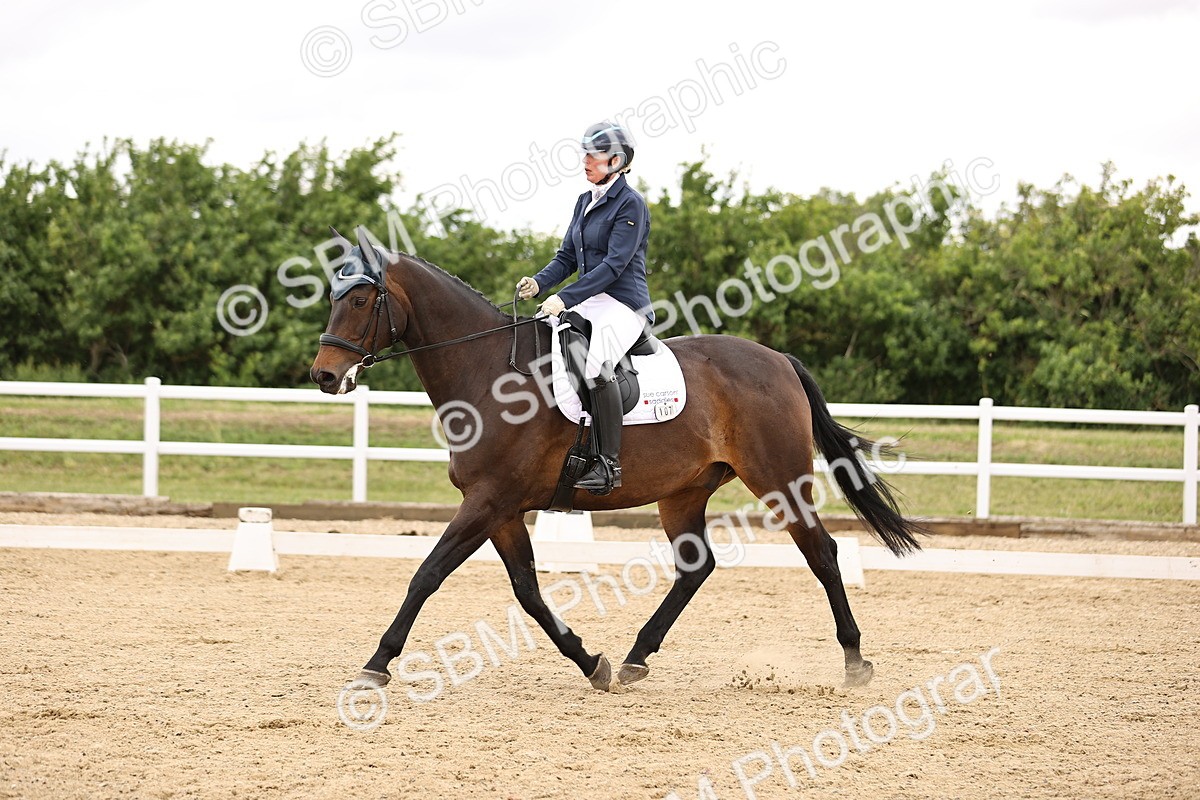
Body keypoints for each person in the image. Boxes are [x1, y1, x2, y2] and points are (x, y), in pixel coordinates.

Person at [516, 122, 652, 495]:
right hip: (591, 299)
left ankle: (609, 464)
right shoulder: (584, 201)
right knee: (543, 337)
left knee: (592, 363)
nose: (586, 161)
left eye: (594, 155)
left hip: (624, 303)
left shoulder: (631, 204)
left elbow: (613, 267)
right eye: (586, 153)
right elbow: (565, 258)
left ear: (617, 160)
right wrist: (540, 283)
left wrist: (565, 298)